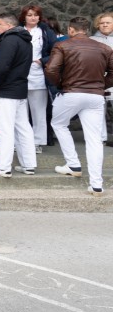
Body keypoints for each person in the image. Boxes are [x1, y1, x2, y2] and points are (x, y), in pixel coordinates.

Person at [46, 16, 113, 195]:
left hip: (71, 93)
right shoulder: (104, 48)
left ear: (71, 30)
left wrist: (60, 84)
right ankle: (97, 184)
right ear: (88, 30)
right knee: (94, 139)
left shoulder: (63, 45)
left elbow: (51, 70)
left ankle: (73, 164)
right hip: (95, 96)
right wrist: (101, 85)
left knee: (59, 124)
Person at [0, 13, 37, 177]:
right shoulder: (25, 40)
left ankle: (2, 166)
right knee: (23, 127)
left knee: (2, 128)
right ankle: (28, 164)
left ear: (8, 25)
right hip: (19, 88)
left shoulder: (8, 40)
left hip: (6, 89)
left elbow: (1, 67)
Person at [19, 5, 58, 154]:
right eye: (29, 15)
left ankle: (37, 142)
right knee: (20, 111)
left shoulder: (45, 31)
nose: (33, 18)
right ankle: (21, 142)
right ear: (24, 17)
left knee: (38, 111)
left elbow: (56, 50)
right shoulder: (18, 30)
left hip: (39, 75)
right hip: (20, 75)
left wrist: (43, 60)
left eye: (36, 15)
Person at [90, 11, 113, 146]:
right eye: (102, 23)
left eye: (108, 22)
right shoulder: (92, 40)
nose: (104, 25)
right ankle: (101, 137)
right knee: (98, 109)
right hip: (98, 78)